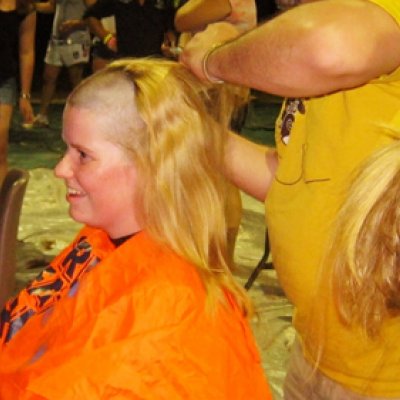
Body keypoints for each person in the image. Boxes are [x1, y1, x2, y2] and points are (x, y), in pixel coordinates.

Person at [0, 58, 272, 398]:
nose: (60, 169)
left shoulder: (173, 317)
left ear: (152, 162)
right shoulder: (100, 239)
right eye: (66, 149)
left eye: (83, 155)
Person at [180, 0, 400, 398]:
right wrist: (187, 129)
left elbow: (327, 47)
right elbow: (288, 180)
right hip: (318, 350)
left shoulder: (371, 20)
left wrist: (214, 60)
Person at [174, 0, 257, 264]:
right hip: (224, 85)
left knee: (221, 174)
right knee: (219, 174)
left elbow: (183, 19)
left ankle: (221, 257)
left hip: (220, 89)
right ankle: (218, 254)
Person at [32, 0, 94, 128]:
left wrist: (76, 24)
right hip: (57, 39)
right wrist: (32, 6)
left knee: (76, 80)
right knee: (49, 77)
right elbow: (51, 6)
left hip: (77, 40)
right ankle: (42, 116)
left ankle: (84, 117)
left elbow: (96, 13)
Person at [0, 0, 36, 184]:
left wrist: (25, 95)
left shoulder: (25, 6)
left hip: (3, 80)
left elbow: (26, 51)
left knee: (0, 148)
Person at [84, 0, 176, 60]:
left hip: (155, 61)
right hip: (126, 62)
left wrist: (170, 45)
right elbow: (90, 17)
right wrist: (107, 38)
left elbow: (170, 27)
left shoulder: (164, 1)